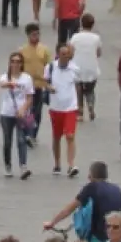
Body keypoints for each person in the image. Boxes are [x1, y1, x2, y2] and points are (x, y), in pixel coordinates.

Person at [41, 44, 82, 178]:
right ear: (58, 54)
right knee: (57, 136)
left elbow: (77, 86)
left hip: (70, 107)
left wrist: (80, 106)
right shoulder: (51, 67)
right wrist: (49, 87)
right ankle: (57, 163)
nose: (65, 56)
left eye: (67, 54)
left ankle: (71, 165)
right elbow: (45, 82)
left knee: (70, 135)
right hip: (55, 107)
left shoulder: (74, 69)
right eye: (63, 54)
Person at [0, 51, 37, 179]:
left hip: (22, 114)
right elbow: (2, 84)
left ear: (22, 63)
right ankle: (8, 165)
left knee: (21, 140)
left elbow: (30, 98)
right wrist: (10, 83)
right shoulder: (5, 76)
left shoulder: (27, 78)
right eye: (13, 61)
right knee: (7, 141)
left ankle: (23, 166)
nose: (15, 64)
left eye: (18, 61)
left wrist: (23, 109)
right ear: (9, 63)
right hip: (6, 113)